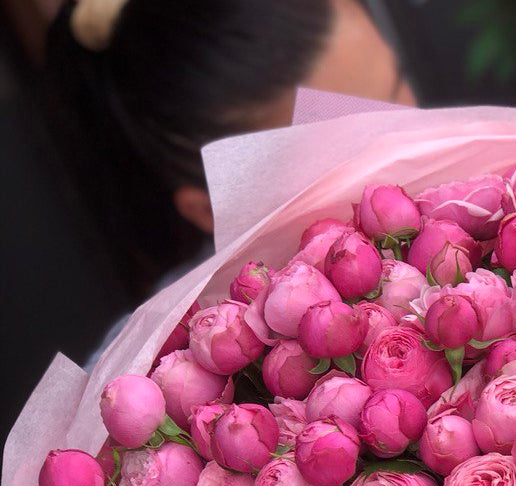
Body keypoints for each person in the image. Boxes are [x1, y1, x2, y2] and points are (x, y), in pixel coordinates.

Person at [46, 0, 415, 300]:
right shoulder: (163, 359)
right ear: (212, 210)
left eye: (397, 86)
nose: (412, 142)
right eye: (352, 154)